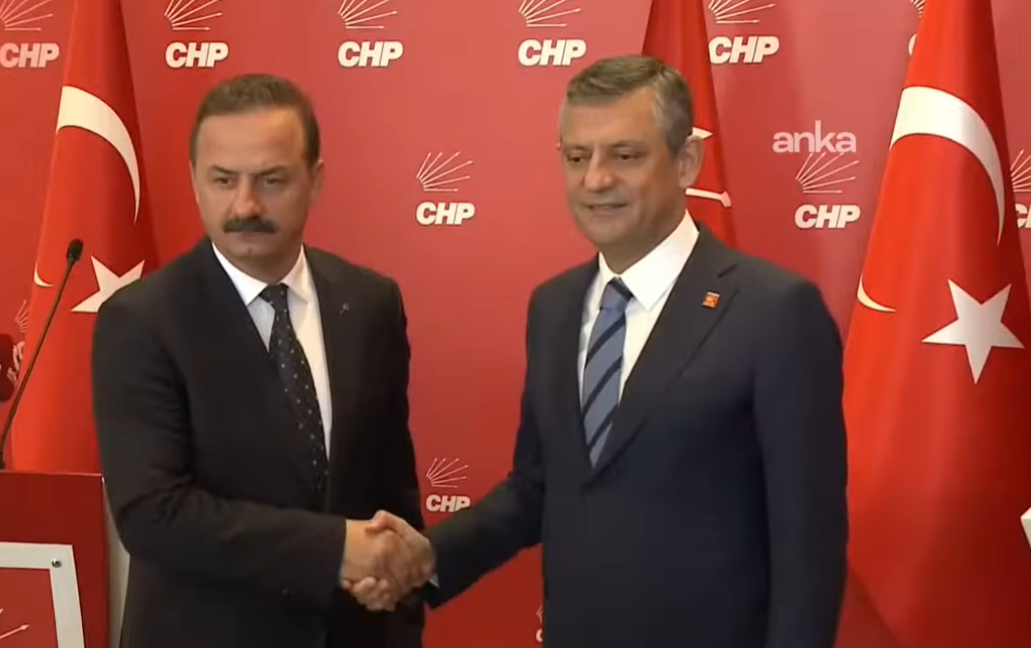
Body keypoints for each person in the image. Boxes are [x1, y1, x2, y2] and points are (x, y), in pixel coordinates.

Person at [350, 55, 849, 648]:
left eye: (625, 156)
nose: (595, 180)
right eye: (577, 156)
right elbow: (538, 487)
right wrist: (428, 556)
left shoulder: (775, 312)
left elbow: (807, 545)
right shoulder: (554, 307)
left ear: (686, 162)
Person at [91, 73, 428, 648]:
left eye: (271, 180)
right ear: (195, 181)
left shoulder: (370, 303)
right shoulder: (141, 321)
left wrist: (398, 578)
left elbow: (390, 490)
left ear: (315, 182)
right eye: (224, 180)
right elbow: (154, 515)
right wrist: (336, 550)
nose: (245, 205)